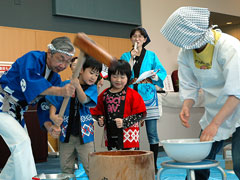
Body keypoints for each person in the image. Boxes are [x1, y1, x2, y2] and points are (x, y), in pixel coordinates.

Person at [160, 6, 240, 179]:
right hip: (215, 109)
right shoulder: (186, 52)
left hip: (237, 105)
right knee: (197, 161)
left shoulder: (230, 48)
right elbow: (189, 84)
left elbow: (236, 92)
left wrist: (215, 124)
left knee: (239, 161)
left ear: (193, 35)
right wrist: (187, 105)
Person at [0, 36, 76, 180]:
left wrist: (49, 126)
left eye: (67, 61)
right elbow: (31, 83)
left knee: (22, 148)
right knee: (21, 143)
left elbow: (44, 105)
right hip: (2, 103)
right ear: (50, 52)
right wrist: (59, 91)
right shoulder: (32, 58)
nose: (63, 65)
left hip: (16, 111)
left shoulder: (55, 79)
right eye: (60, 59)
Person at [45, 55, 102, 177]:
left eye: (96, 75)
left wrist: (77, 86)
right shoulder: (65, 84)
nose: (93, 77)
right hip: (66, 135)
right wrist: (53, 116)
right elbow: (54, 101)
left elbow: (84, 100)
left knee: (90, 166)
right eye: (91, 73)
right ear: (81, 70)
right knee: (66, 167)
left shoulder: (92, 88)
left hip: (85, 136)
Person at [120, 27, 167, 173]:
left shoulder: (152, 55)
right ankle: (135, 164)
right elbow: (121, 73)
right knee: (132, 132)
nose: (137, 39)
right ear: (131, 39)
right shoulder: (125, 55)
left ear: (145, 40)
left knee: (152, 132)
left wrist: (154, 77)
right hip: (131, 96)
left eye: (140, 36)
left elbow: (161, 71)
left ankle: (153, 165)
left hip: (148, 95)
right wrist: (131, 59)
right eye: (134, 36)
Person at [90, 60, 147, 151]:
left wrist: (124, 122)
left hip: (129, 139)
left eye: (122, 77)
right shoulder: (104, 95)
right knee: (113, 162)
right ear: (109, 77)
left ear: (128, 77)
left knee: (130, 162)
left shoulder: (133, 94)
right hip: (110, 137)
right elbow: (97, 112)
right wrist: (100, 119)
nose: (118, 80)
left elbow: (140, 114)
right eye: (115, 76)